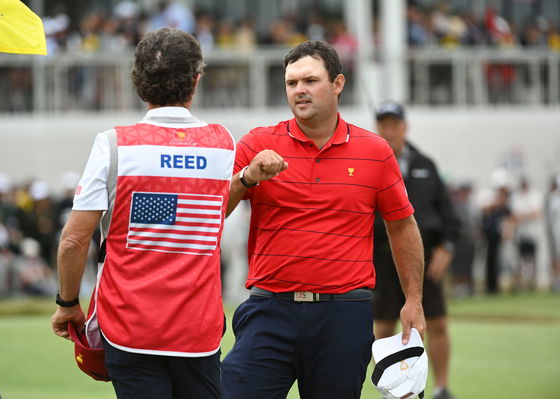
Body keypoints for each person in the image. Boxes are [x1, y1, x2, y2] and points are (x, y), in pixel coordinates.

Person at [221, 40, 426, 399]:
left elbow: (402, 225)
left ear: (338, 84)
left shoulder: (376, 152)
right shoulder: (256, 144)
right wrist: (247, 177)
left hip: (343, 315)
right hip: (269, 310)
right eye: (291, 83)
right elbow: (214, 211)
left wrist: (413, 300)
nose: (299, 90)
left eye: (310, 81)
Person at [51, 28, 235, 399]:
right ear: (195, 81)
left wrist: (68, 304)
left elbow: (74, 240)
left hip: (129, 325)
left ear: (138, 82)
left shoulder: (113, 144)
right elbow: (217, 211)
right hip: (198, 328)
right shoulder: (223, 143)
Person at [372, 101, 460, 399]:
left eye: (394, 124)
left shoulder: (425, 164)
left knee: (435, 322)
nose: (389, 130)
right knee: (382, 324)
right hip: (381, 258)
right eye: (383, 124)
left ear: (404, 127)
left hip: (424, 258)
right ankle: (388, 388)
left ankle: (441, 386)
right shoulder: (370, 163)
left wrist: (446, 248)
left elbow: (449, 214)